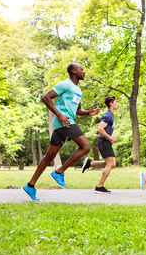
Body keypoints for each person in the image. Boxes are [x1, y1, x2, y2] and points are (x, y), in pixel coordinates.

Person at [21, 63, 100, 201]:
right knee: (85, 147)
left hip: (65, 121)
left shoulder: (77, 90)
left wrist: (88, 112)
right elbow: (46, 97)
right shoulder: (65, 84)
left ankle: (30, 185)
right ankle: (59, 172)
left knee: (49, 156)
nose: (84, 71)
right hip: (64, 121)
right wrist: (59, 115)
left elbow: (77, 110)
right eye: (81, 69)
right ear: (74, 71)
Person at [81, 96, 120, 194]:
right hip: (103, 142)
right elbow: (100, 129)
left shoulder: (111, 115)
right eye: (116, 102)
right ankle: (99, 187)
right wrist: (110, 138)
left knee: (112, 164)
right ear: (111, 104)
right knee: (110, 164)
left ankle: (90, 163)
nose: (117, 103)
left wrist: (110, 138)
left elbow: (105, 130)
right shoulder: (107, 115)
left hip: (105, 142)